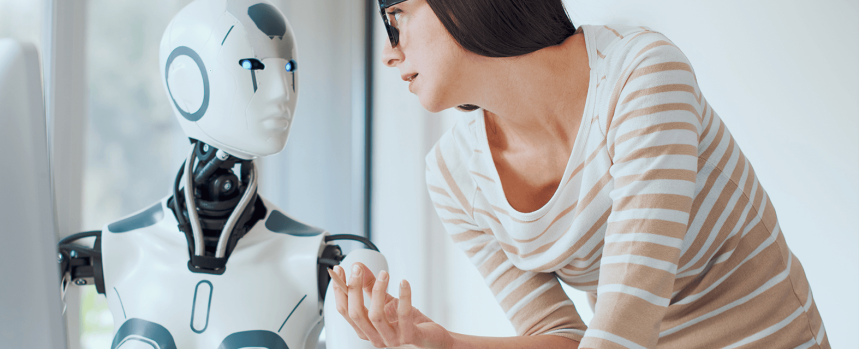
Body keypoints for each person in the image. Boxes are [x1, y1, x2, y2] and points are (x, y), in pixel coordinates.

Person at [325, 0, 830, 348]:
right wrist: (446, 343)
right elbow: (564, 337)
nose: (389, 53)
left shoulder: (644, 75)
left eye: (397, 17)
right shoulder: (454, 176)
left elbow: (622, 326)